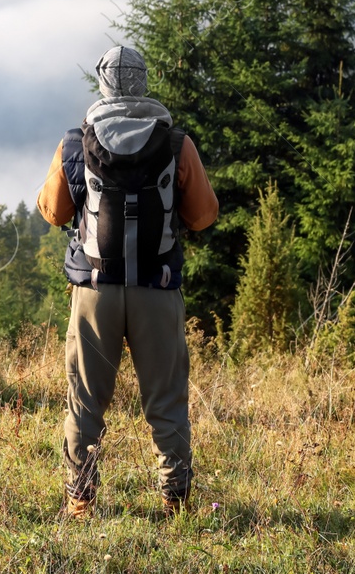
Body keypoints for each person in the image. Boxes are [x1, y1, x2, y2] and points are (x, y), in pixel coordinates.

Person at [36, 45, 218, 518]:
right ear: (143, 82)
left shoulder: (75, 143)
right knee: (166, 397)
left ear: (102, 85)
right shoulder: (177, 144)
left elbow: (55, 210)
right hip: (157, 290)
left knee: (86, 399)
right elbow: (202, 216)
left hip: (95, 291)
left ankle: (81, 501)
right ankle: (175, 500)